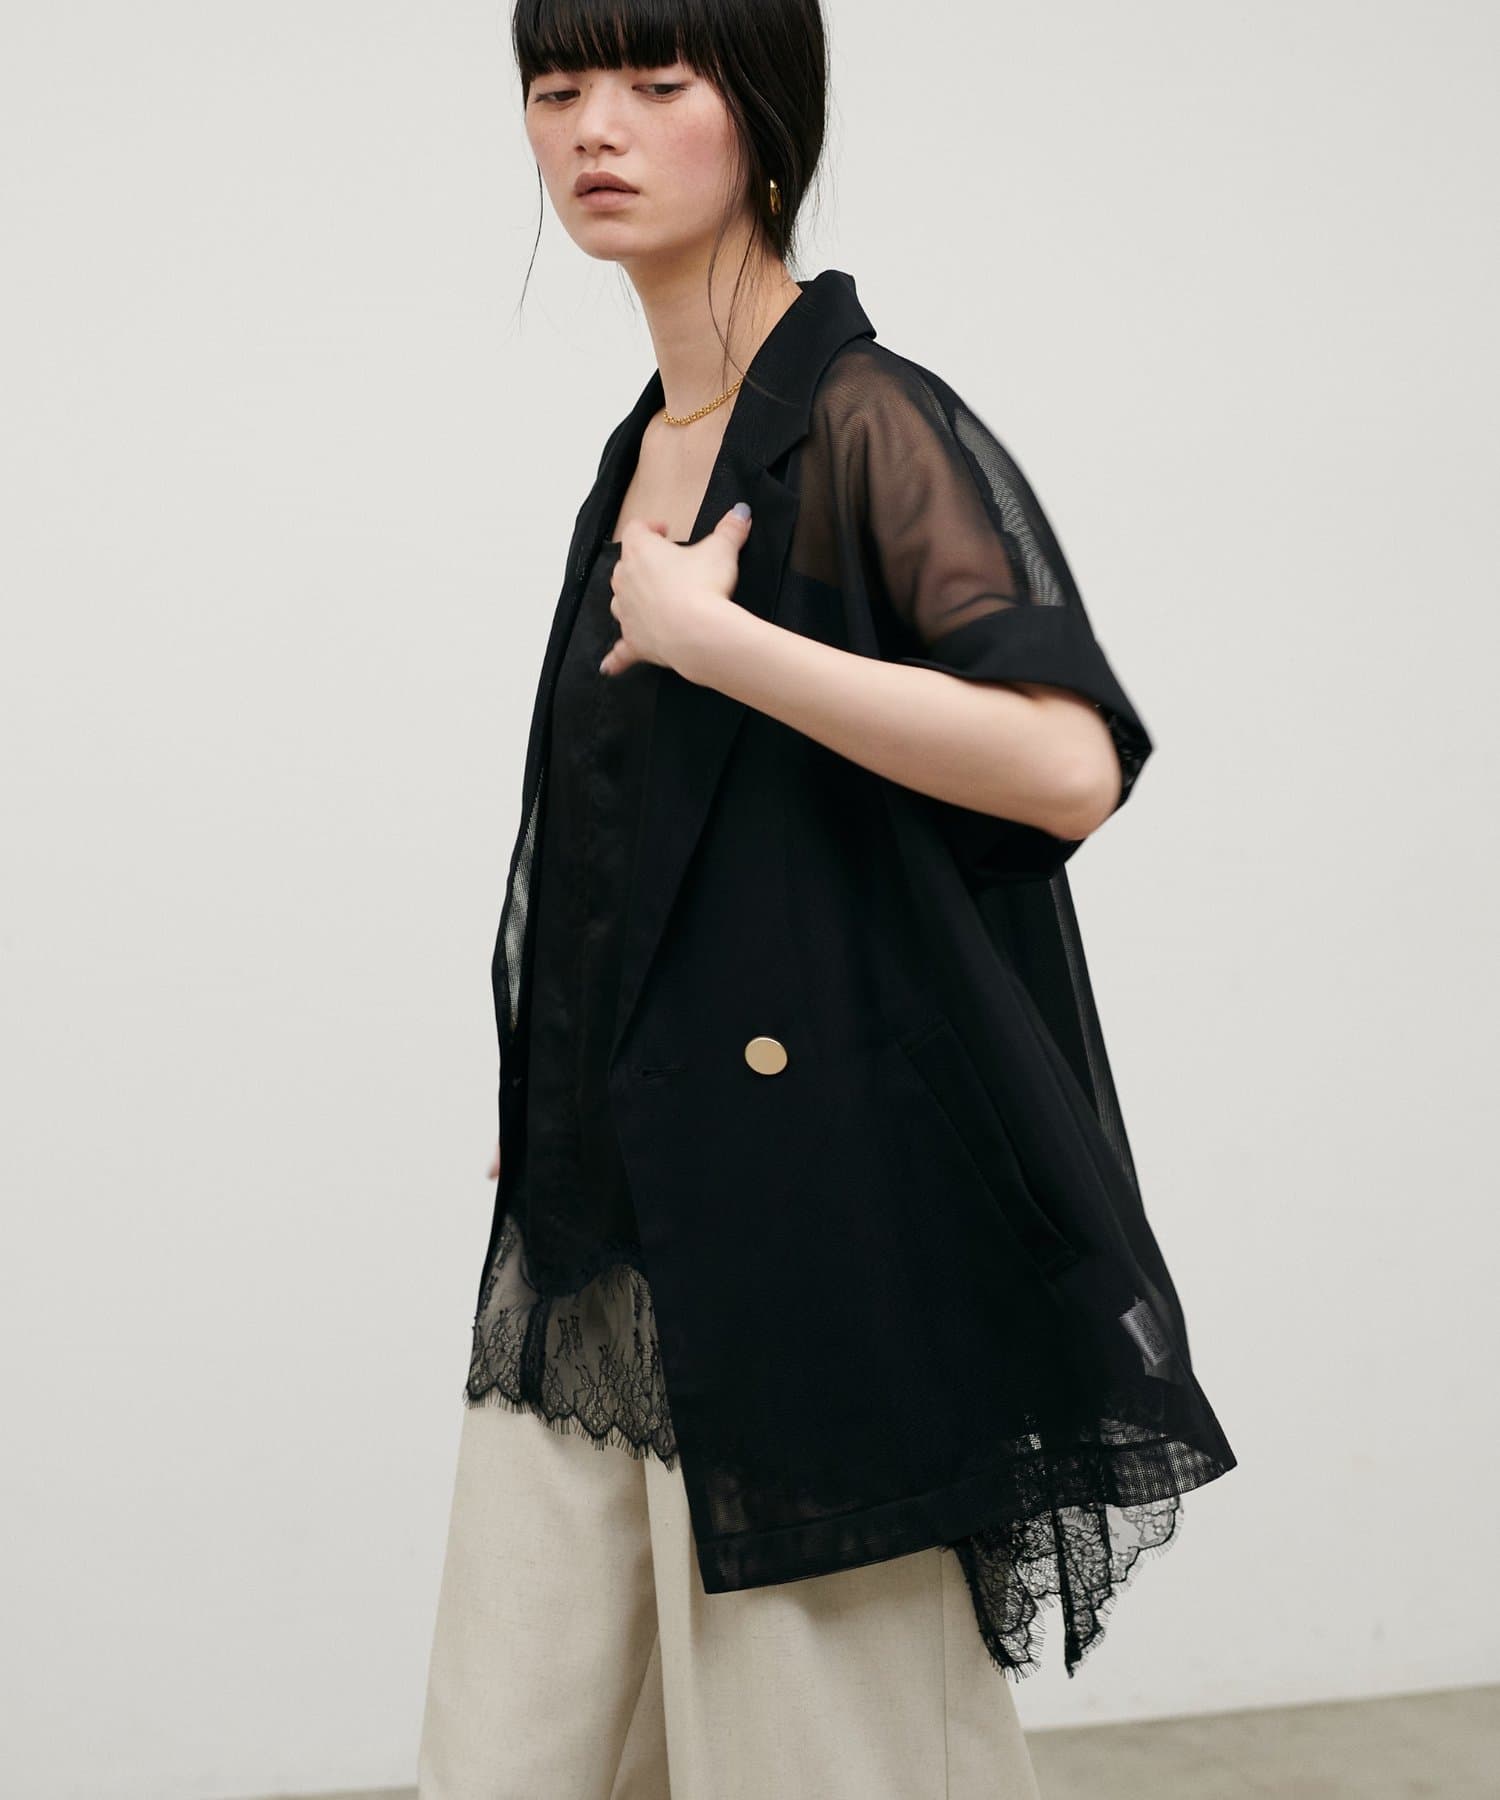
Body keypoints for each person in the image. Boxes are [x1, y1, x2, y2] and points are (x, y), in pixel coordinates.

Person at [418, 3, 1238, 1796]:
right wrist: (570, 1080)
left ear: (765, 119)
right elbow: (629, 837)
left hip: (812, 1214)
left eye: (657, 83)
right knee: (513, 1745)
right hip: (605, 1216)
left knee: (825, 1754)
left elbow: (1066, 763)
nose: (594, 129)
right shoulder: (649, 444)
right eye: (555, 88)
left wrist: (726, 646)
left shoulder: (870, 415)